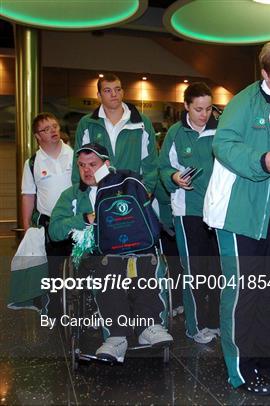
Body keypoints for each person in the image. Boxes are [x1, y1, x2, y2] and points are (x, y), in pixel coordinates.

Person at [204, 41, 270, 395]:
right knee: (244, 290)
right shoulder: (245, 102)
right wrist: (261, 161)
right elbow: (224, 144)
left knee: (266, 290)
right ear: (264, 73)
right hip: (240, 212)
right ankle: (240, 367)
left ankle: (264, 354)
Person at [49, 143, 173, 363]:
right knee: (109, 263)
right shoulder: (74, 195)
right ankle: (117, 336)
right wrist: (84, 218)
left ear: (107, 165)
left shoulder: (126, 187)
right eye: (81, 165)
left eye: (93, 165)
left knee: (146, 259)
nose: (87, 170)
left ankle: (149, 327)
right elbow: (55, 231)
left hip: (133, 253)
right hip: (94, 257)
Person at [159, 82, 221, 344]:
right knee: (194, 270)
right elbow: (162, 168)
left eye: (208, 109)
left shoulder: (221, 130)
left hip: (218, 211)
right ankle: (194, 326)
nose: (204, 114)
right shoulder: (175, 133)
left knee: (217, 270)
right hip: (188, 211)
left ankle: (215, 321)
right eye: (198, 109)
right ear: (186, 106)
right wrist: (174, 177)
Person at [20, 113, 73, 316]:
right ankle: (54, 311)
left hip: (75, 223)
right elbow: (28, 196)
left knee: (82, 266)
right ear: (37, 136)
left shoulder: (75, 155)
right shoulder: (32, 163)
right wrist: (27, 228)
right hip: (49, 225)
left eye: (55, 126)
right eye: (46, 128)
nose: (53, 130)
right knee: (53, 270)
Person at [72, 73, 159, 194]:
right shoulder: (87, 124)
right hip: (98, 192)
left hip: (132, 192)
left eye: (117, 89)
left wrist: (147, 191)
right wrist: (79, 194)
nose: (114, 94)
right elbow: (78, 163)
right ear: (99, 96)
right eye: (107, 90)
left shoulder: (142, 123)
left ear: (122, 92)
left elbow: (150, 162)